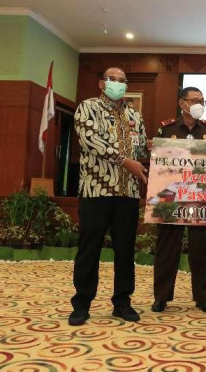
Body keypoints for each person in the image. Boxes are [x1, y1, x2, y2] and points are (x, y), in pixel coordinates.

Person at [69, 67, 149, 326]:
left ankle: (122, 303)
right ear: (101, 84)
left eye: (123, 80)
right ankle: (82, 304)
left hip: (128, 192)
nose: (118, 84)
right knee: (89, 248)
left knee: (125, 250)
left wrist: (159, 147)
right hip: (96, 190)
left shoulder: (134, 114)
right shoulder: (88, 107)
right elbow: (90, 141)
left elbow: (141, 148)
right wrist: (125, 161)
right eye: (113, 79)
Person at [149, 87, 206, 313]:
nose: (199, 104)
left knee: (200, 249)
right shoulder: (167, 128)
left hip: (198, 197)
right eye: (194, 100)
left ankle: (202, 297)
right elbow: (158, 162)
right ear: (182, 103)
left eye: (202, 100)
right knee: (167, 249)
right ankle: (161, 296)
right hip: (171, 196)